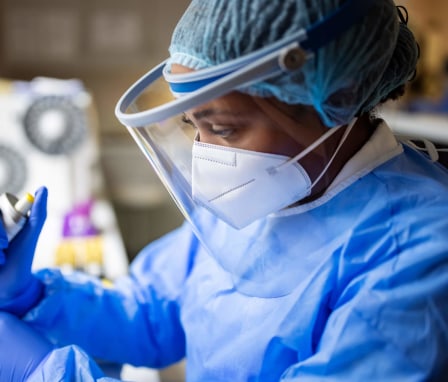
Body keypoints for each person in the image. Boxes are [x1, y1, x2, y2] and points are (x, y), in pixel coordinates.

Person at [1, 0, 448, 380]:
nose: (205, 155)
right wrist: (33, 298)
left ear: (337, 98)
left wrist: (46, 371)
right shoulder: (271, 194)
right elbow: (151, 313)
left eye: (223, 129)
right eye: (192, 125)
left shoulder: (416, 253)